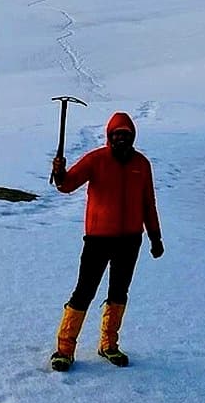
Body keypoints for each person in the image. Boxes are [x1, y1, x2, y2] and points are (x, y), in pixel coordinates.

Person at [49, 111, 163, 370]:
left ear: (132, 137)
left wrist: (155, 237)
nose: (121, 138)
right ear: (109, 136)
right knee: (84, 292)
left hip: (130, 240)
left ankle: (109, 345)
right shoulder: (96, 159)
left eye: (126, 134)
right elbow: (67, 185)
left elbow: (149, 203)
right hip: (98, 239)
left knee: (119, 293)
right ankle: (64, 350)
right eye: (117, 134)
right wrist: (60, 173)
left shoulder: (142, 164)